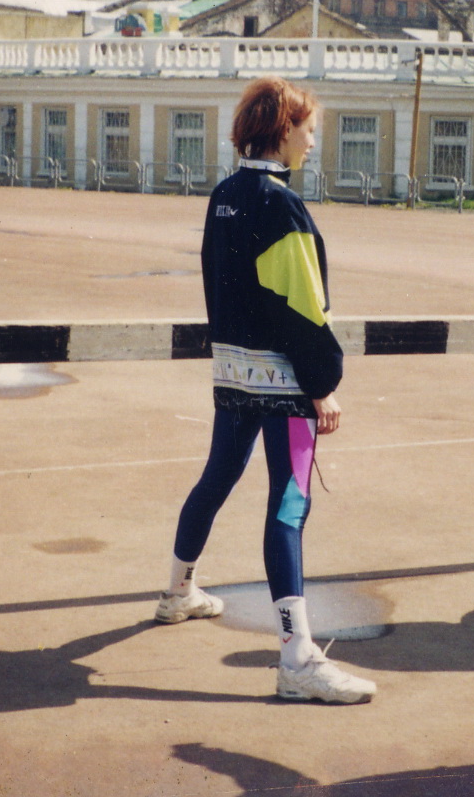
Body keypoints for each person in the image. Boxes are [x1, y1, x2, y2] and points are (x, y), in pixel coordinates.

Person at [155, 76, 376, 706]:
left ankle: (177, 591)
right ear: (284, 130)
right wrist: (321, 385)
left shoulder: (224, 194)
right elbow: (305, 309)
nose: (314, 139)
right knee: (289, 505)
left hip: (231, 372)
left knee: (218, 477)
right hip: (284, 383)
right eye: (309, 129)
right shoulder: (283, 205)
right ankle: (297, 657)